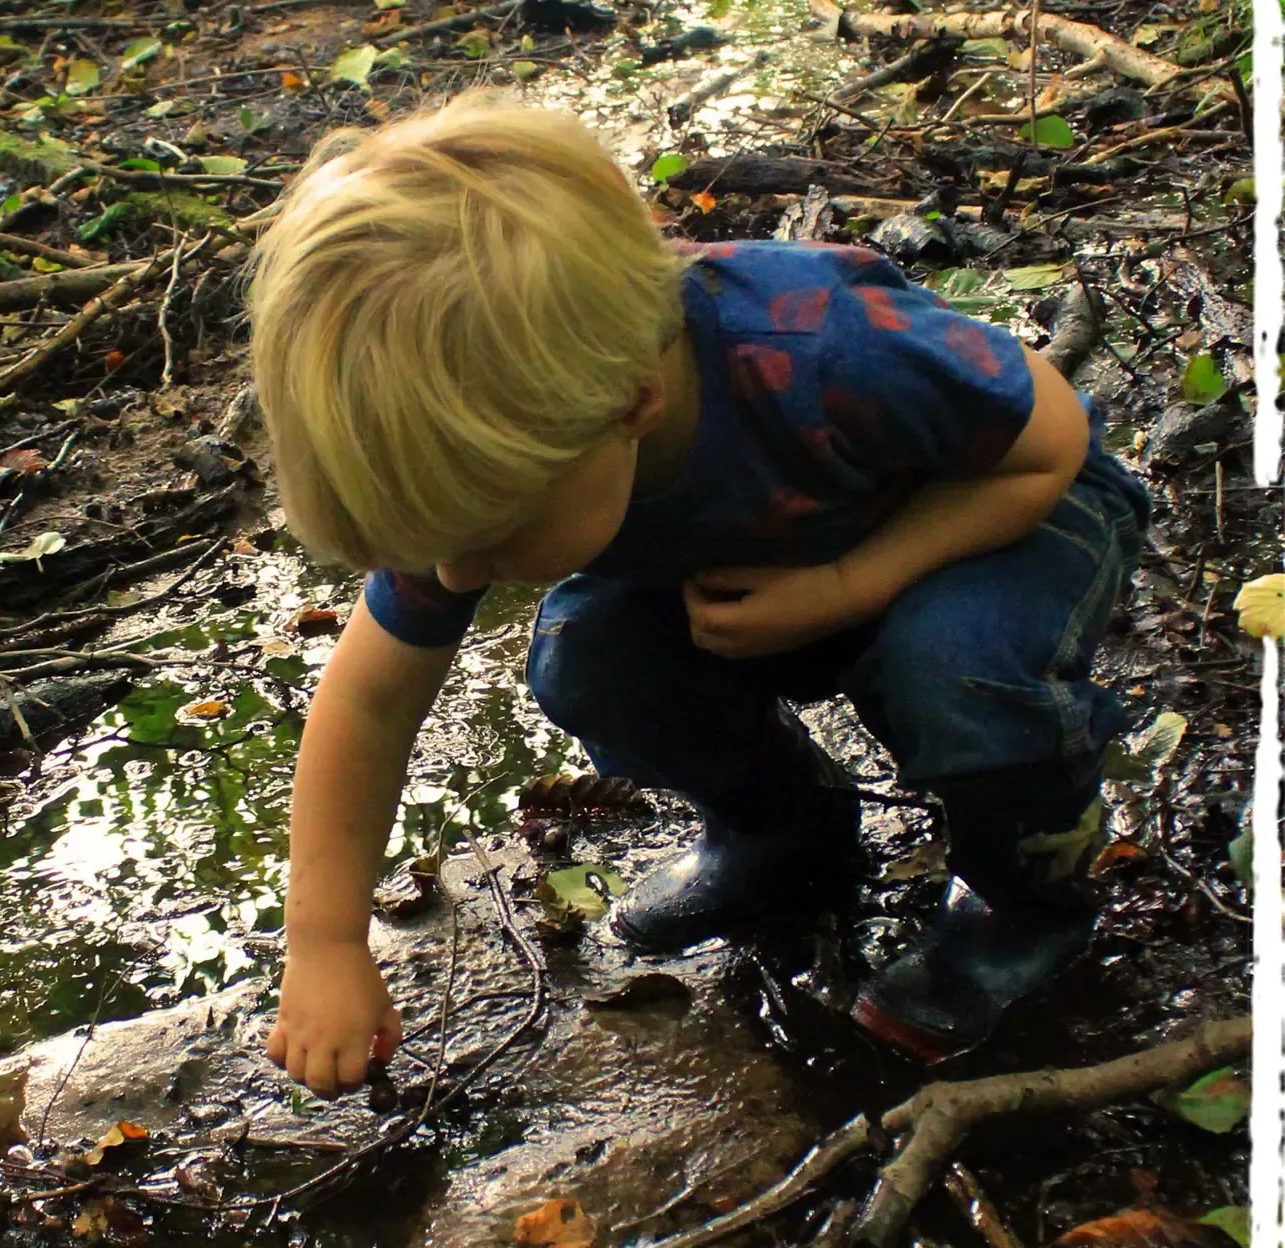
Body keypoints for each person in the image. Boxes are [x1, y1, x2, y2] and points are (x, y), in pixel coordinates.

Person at [246, 92, 1149, 1092]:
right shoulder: (502, 443)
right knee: (588, 655)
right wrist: (323, 941)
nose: (456, 575)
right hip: (777, 565)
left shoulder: (823, 350)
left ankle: (1024, 902)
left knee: (959, 674)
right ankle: (786, 830)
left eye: (492, 539)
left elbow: (1053, 443)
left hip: (989, 520)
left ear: (634, 403)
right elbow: (369, 701)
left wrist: (852, 583)